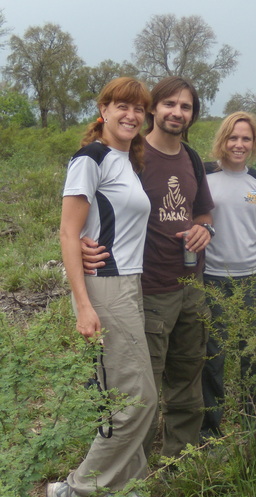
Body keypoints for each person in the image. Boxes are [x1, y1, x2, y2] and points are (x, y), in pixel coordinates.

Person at [49, 77, 168, 497]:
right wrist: (83, 304)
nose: (132, 116)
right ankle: (75, 491)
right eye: (122, 106)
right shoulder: (91, 158)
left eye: (139, 109)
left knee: (126, 394)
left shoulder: (125, 159)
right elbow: (67, 231)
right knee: (136, 398)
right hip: (105, 286)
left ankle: (127, 495)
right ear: (103, 108)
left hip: (129, 284)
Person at [83, 77, 215, 459]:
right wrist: (76, 242)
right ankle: (130, 474)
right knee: (140, 389)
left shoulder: (191, 158)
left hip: (192, 285)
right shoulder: (129, 155)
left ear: (192, 115)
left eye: (186, 107)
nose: (177, 112)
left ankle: (180, 459)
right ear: (153, 109)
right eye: (169, 104)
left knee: (188, 378)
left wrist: (203, 229)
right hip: (147, 287)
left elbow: (203, 211)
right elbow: (87, 208)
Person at [200, 112, 256, 438]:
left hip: (251, 279)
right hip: (212, 280)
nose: (239, 144)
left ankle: (254, 425)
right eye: (233, 137)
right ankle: (209, 430)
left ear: (254, 143)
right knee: (211, 357)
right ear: (222, 140)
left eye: (246, 138)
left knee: (255, 354)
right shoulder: (203, 178)